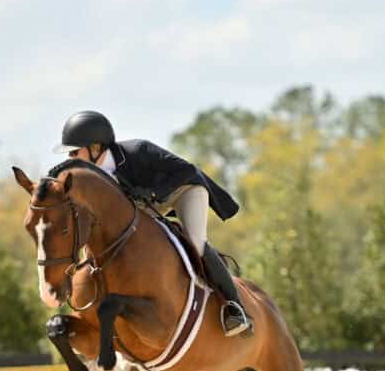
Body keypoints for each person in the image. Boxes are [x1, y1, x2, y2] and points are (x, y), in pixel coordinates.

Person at [53, 110, 252, 337]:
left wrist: (154, 191)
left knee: (196, 242)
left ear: (96, 148)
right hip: (145, 202)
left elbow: (187, 171)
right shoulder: (92, 174)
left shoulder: (137, 150)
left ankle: (235, 307)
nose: (70, 159)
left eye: (74, 152)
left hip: (183, 190)